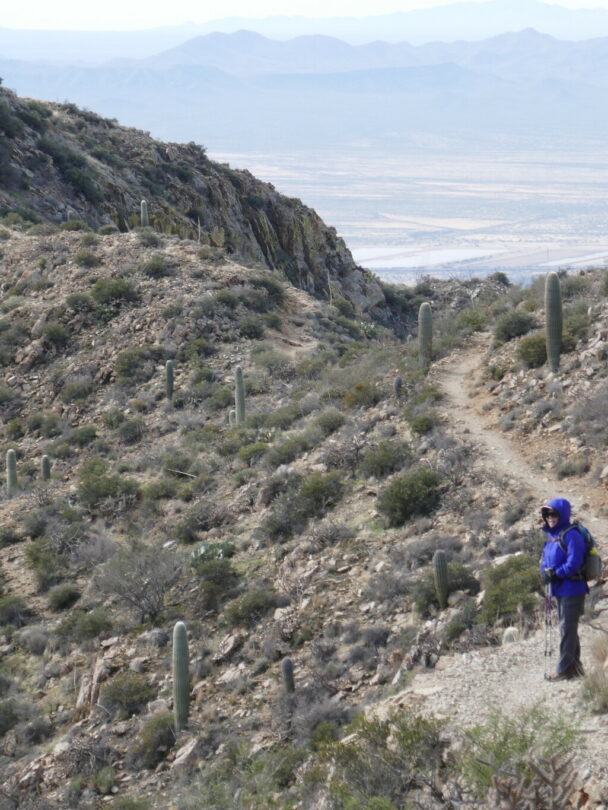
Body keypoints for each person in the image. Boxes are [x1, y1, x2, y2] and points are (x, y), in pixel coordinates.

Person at [540, 497, 588, 681]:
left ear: (563, 514)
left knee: (566, 628)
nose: (550, 517)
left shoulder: (571, 535)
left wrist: (556, 574)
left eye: (554, 514)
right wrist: (545, 573)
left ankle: (564, 669)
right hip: (560, 589)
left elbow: (574, 563)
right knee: (568, 628)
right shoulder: (552, 535)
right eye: (547, 514)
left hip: (573, 588)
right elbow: (546, 559)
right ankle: (575, 667)